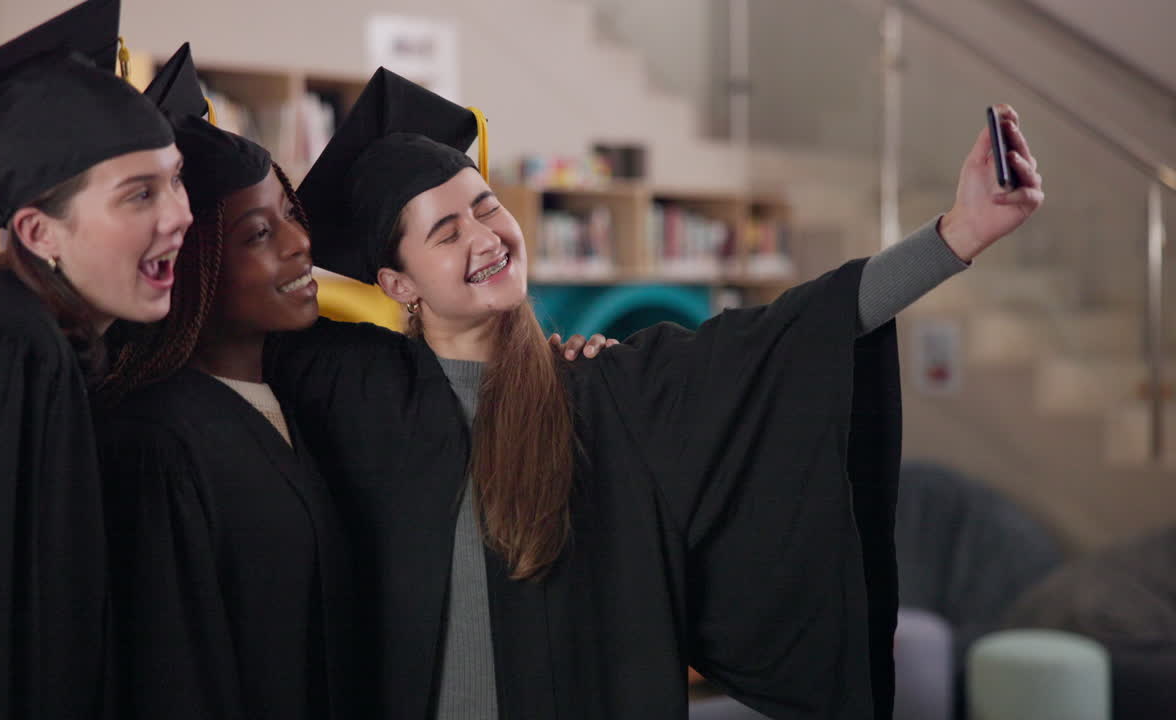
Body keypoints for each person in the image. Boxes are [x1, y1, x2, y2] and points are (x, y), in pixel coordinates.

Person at [268, 68, 1044, 719]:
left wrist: (958, 233)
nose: (484, 238)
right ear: (398, 283)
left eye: (487, 207)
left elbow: (789, 335)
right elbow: (219, 326)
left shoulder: (605, 390)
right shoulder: (350, 390)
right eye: (445, 233)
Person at [0, 1, 190, 716]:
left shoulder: (56, 340)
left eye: (176, 179)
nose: (180, 213)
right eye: (139, 194)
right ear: (38, 231)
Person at [93, 44, 354, 719]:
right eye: (258, 234)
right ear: (189, 264)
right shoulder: (156, 440)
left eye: (292, 214)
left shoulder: (297, 403)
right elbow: (173, 676)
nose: (299, 243)